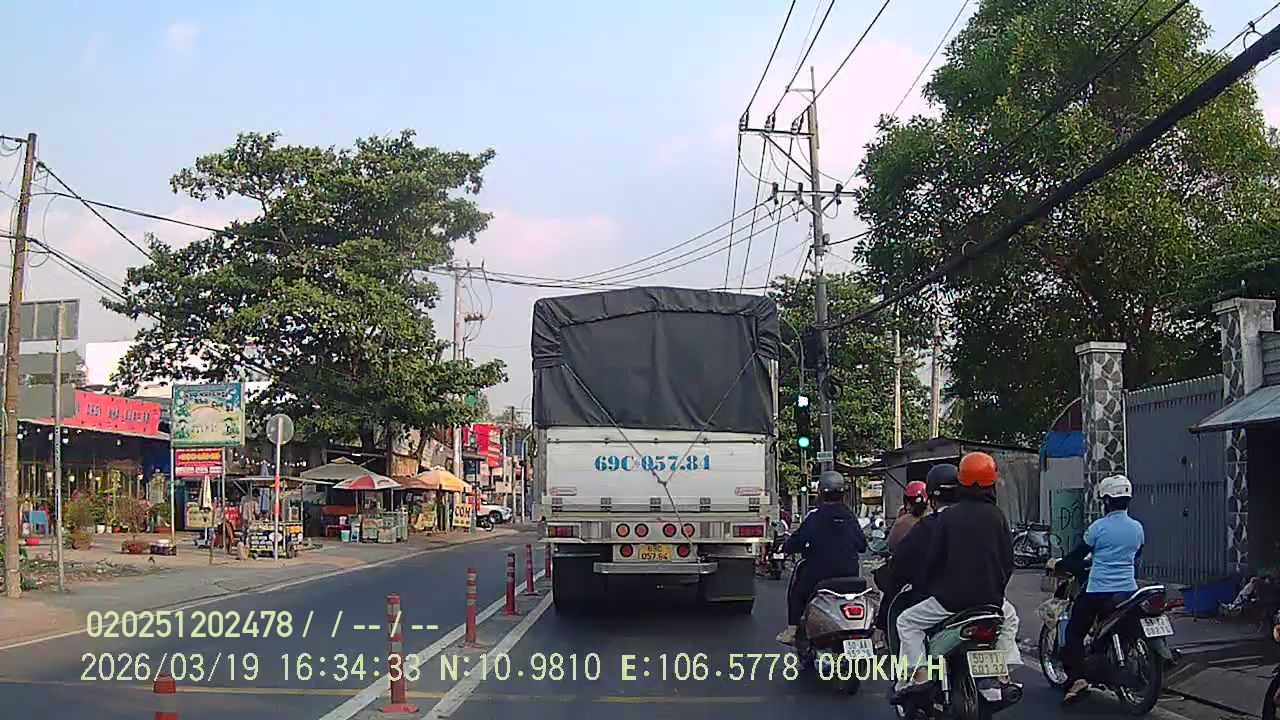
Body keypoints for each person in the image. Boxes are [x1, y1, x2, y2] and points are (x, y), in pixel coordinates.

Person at [893, 452, 1021, 697]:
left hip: (951, 600)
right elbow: (1008, 561)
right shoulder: (997, 515)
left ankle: (920, 675)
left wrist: (930, 585)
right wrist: (996, 590)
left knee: (907, 622)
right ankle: (1003, 673)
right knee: (1010, 618)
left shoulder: (948, 518)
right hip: (991, 600)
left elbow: (934, 560)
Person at [1050, 474, 1144, 703]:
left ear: (1107, 501)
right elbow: (1135, 555)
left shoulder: (1098, 528)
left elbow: (1078, 555)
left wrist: (1060, 564)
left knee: (1074, 632)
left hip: (1098, 590)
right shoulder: (1137, 528)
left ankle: (1078, 679)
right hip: (1128, 590)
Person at [776, 470, 868, 645]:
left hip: (819, 574)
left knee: (797, 592)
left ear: (820, 493)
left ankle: (792, 630)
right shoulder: (850, 516)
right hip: (850, 573)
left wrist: (785, 548)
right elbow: (862, 545)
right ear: (842, 493)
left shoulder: (815, 516)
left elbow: (797, 541)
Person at [874, 465, 958, 645]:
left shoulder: (926, 526)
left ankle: (916, 664)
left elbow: (900, 562)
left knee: (906, 623)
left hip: (943, 598)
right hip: (989, 601)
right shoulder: (984, 518)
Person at [888, 480, 929, 552]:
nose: (908, 507)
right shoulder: (903, 518)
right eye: (907, 502)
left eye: (911, 503)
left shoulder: (932, 520)